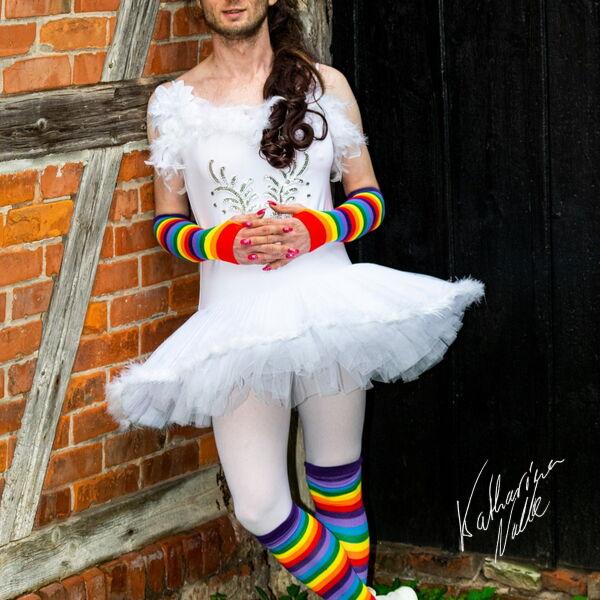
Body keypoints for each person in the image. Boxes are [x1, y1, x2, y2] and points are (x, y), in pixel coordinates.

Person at [105, 1, 485, 598]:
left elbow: (369, 198)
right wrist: (219, 241)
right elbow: (168, 223)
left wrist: (319, 228)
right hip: (235, 323)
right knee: (259, 504)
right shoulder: (173, 102)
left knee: (338, 483)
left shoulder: (325, 86)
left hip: (328, 307)